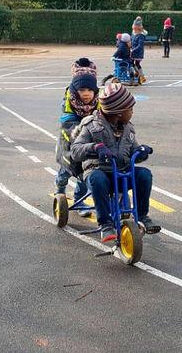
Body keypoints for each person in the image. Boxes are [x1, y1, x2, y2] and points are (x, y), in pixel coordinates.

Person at [70, 82, 161, 242]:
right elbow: (76, 150)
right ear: (119, 112)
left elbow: (133, 150)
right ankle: (105, 224)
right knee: (97, 179)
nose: (132, 113)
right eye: (130, 109)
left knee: (144, 175)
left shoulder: (128, 128)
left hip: (122, 172)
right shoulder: (91, 125)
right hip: (100, 172)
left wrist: (141, 151)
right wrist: (95, 147)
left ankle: (141, 216)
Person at [55, 58, 99, 217]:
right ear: (75, 91)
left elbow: (105, 119)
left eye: (89, 90)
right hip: (70, 140)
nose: (86, 94)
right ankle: (59, 189)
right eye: (82, 90)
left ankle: (79, 200)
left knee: (84, 171)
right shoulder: (69, 101)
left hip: (89, 143)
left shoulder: (98, 101)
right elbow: (67, 124)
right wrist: (83, 134)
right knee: (67, 170)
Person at [131, 16, 148, 84]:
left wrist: (133, 50)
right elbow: (131, 40)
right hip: (133, 51)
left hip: (138, 52)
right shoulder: (133, 33)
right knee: (131, 63)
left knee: (137, 64)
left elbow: (140, 46)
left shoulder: (140, 35)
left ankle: (141, 76)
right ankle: (137, 72)